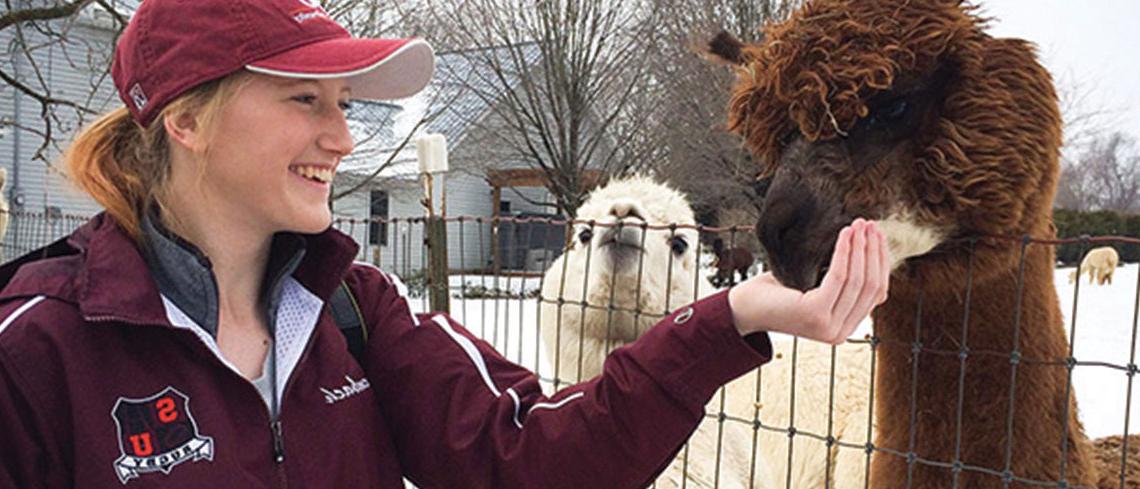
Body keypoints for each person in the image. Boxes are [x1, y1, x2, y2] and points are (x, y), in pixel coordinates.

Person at [0, 0, 891, 487]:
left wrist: (734, 314)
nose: (343, 138)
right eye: (305, 100)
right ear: (188, 120)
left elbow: (532, 458)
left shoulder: (353, 311)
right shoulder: (39, 351)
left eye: (344, 103)